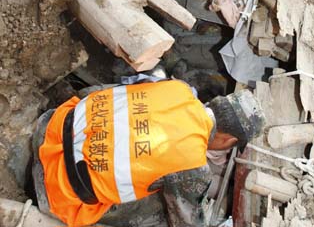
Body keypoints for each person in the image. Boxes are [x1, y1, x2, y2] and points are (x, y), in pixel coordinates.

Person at [32, 80, 266, 227]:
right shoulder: (192, 165)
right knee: (160, 212)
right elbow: (186, 223)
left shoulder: (178, 89)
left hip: (49, 131)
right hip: (56, 188)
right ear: (229, 140)